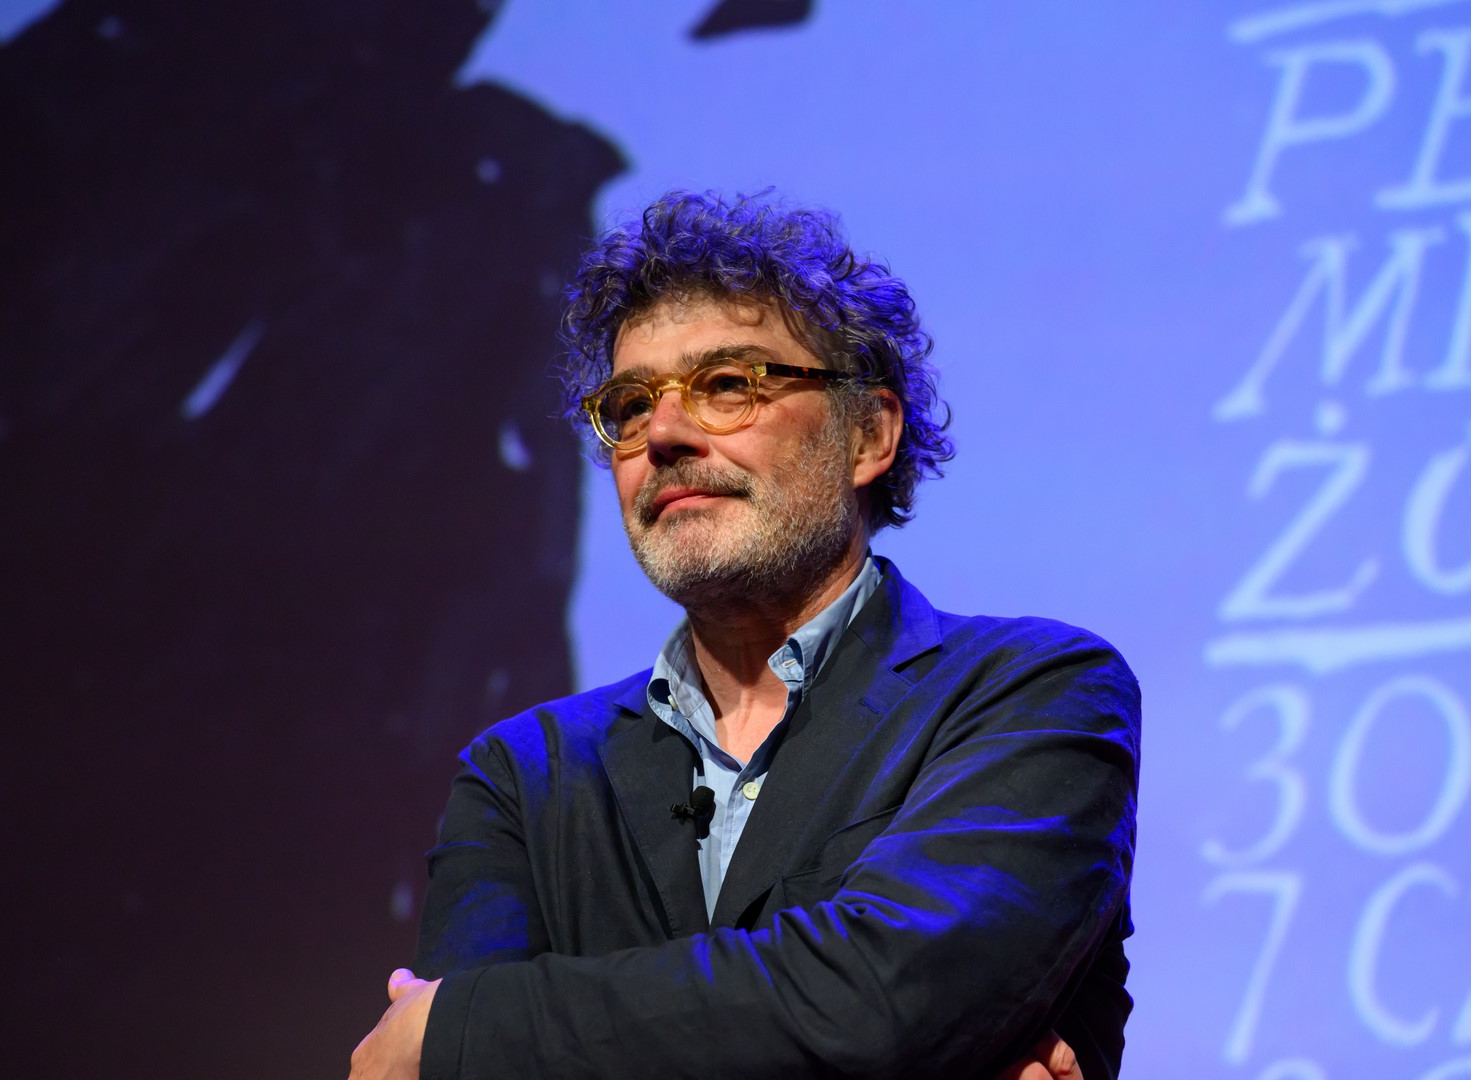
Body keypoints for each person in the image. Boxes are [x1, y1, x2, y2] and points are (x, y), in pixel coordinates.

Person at [350, 191, 1140, 1079]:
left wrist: (468, 1029)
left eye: (728, 385)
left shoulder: (1032, 693)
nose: (663, 435)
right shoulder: (524, 776)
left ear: (869, 434)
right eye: (629, 404)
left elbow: (879, 1002)